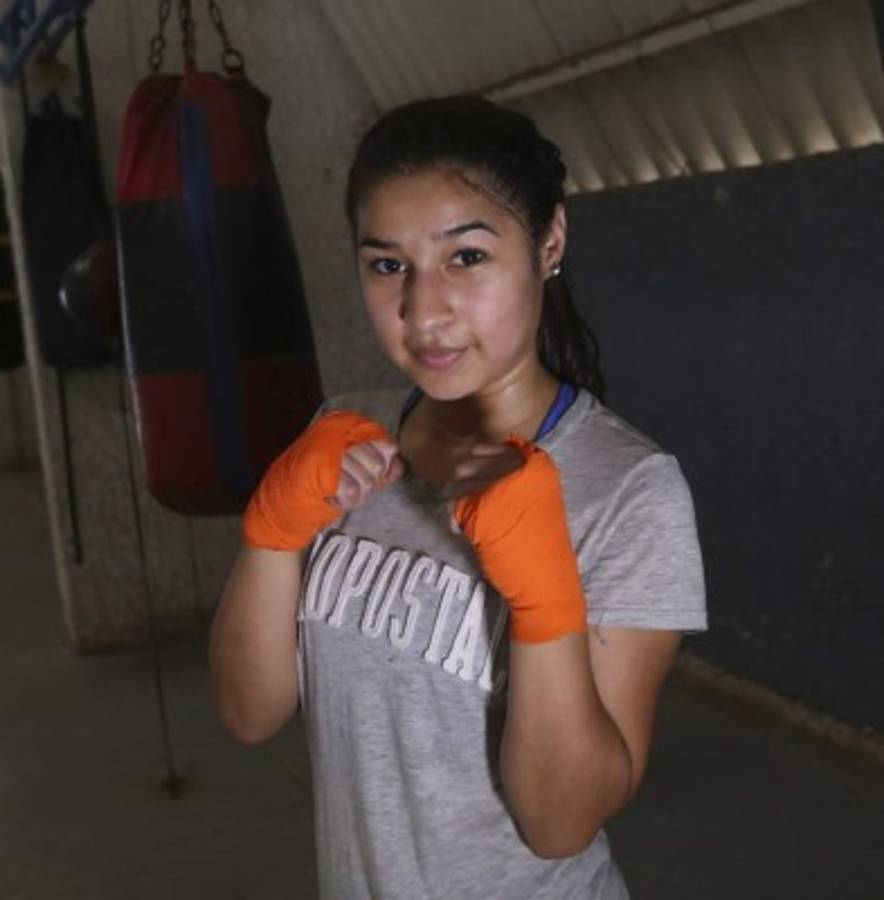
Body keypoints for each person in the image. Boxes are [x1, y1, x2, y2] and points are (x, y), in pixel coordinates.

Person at [209, 94, 707, 899]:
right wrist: (269, 531)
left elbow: (560, 823)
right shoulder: (344, 440)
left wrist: (546, 601)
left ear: (549, 241)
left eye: (466, 257)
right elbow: (248, 712)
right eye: (387, 264)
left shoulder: (631, 491)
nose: (422, 309)